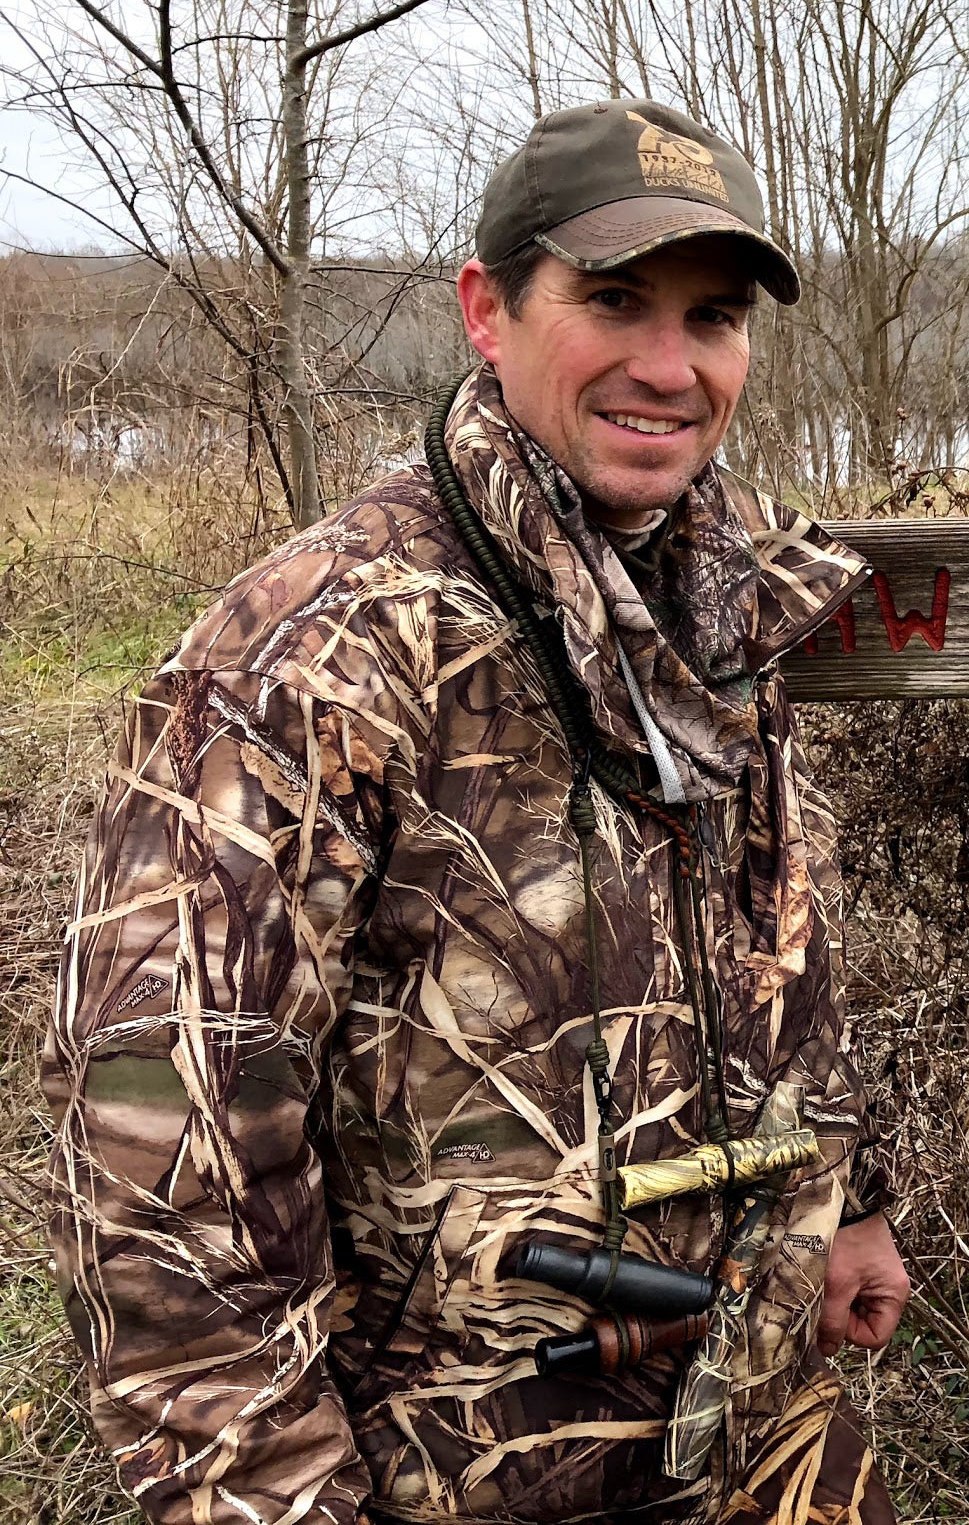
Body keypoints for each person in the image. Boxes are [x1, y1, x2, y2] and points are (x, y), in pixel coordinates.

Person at [45, 100, 910, 1525]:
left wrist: (855, 1189)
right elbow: (165, 1191)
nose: (669, 365)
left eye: (714, 316)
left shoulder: (721, 602)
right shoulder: (310, 659)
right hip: (462, 1479)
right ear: (485, 312)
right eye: (615, 300)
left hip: (763, 1438)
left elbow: (780, 945)